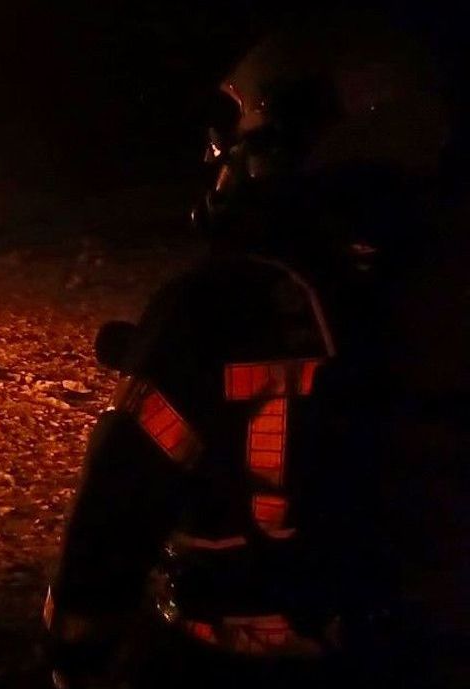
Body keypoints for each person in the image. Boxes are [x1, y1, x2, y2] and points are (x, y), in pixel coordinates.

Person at [42, 14, 466, 689]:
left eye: (240, 136)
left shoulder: (218, 303)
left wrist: (76, 647)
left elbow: (122, 495)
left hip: (231, 661)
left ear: (287, 137)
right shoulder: (443, 288)